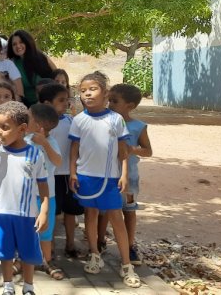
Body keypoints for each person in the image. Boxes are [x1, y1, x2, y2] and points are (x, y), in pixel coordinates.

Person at [68, 72, 141, 288]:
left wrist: (124, 174)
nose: (87, 93)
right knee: (90, 215)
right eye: (83, 91)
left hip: (110, 179)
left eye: (93, 89)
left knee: (116, 217)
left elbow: (123, 152)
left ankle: (126, 264)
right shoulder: (79, 120)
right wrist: (73, 173)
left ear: (105, 93)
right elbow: (74, 150)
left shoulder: (115, 119)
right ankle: (94, 254)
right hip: (85, 177)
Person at [0, 101, 50, 295]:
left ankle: (28, 287)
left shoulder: (35, 153)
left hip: (27, 213)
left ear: (22, 129)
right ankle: (7, 286)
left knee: (28, 253)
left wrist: (44, 211)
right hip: (1, 211)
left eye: (5, 127)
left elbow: (43, 186)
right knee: (5, 253)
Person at [106, 84, 152, 266]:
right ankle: (100, 243)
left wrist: (132, 149)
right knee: (106, 211)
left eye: (115, 101)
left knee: (129, 210)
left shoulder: (138, 126)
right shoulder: (105, 122)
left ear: (130, 106)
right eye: (109, 100)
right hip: (107, 176)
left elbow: (148, 151)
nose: (109, 104)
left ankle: (130, 247)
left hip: (129, 178)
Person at [38, 83, 81, 259]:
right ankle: (51, 247)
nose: (66, 103)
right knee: (53, 212)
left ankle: (70, 244)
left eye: (67, 99)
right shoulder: (43, 126)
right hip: (51, 176)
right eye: (61, 100)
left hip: (69, 174)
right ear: (48, 103)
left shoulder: (71, 121)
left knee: (71, 211)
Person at [25, 103, 64, 281]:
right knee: (27, 228)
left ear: (38, 125)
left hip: (47, 196)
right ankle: (25, 260)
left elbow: (57, 161)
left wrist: (45, 144)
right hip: (26, 195)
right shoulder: (23, 140)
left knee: (45, 230)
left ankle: (46, 261)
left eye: (28, 117)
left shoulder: (52, 142)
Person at [6, 30, 56, 106]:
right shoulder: (12, 64)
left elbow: (57, 76)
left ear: (27, 42)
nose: (18, 46)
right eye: (14, 44)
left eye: (21, 42)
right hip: (26, 106)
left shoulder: (42, 58)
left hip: (48, 104)